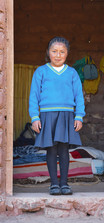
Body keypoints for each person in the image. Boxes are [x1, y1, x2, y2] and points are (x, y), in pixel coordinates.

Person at [29, 36, 85, 195]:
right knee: (51, 150)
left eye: (62, 52)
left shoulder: (72, 73)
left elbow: (79, 96)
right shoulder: (41, 71)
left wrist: (79, 116)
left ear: (67, 54)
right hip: (47, 116)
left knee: (64, 150)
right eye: (54, 51)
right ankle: (54, 184)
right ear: (48, 52)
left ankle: (64, 184)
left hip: (67, 115)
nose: (58, 55)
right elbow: (34, 96)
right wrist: (35, 117)